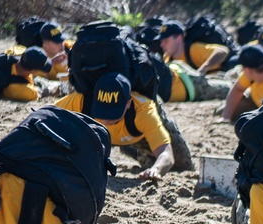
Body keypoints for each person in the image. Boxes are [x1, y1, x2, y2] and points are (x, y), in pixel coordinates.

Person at [56, 72, 185, 179]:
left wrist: (156, 170)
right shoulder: (81, 100)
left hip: (136, 137)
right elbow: (44, 115)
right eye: (102, 110)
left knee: (182, 164)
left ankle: (129, 148)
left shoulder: (143, 110)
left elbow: (166, 154)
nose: (107, 118)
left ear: (128, 103)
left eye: (113, 112)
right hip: (103, 137)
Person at [221, 45, 263, 122]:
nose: (242, 70)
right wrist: (225, 117)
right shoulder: (253, 73)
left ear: (248, 70)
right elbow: (237, 89)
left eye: (242, 67)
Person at [157, 20, 231, 75]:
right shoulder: (167, 58)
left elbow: (223, 51)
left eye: (166, 41)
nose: (162, 45)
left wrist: (203, 69)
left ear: (179, 38)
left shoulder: (193, 49)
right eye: (161, 41)